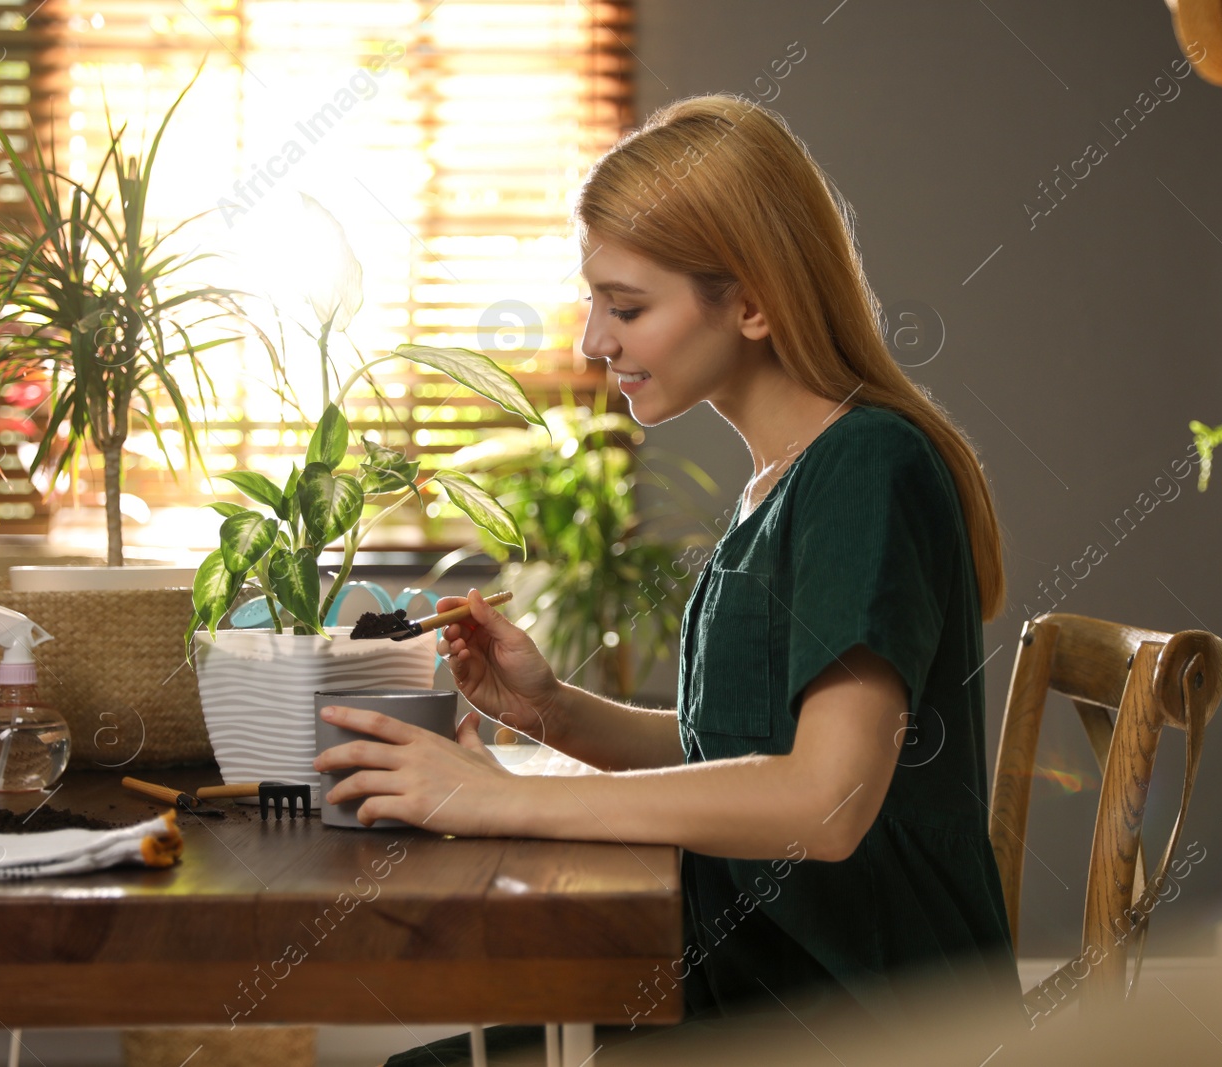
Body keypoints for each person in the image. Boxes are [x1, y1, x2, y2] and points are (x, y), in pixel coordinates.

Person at [315, 94, 1021, 1060]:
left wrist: (498, 798)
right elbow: (738, 751)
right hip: (741, 984)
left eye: (628, 305)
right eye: (596, 302)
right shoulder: (781, 482)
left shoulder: (868, 469)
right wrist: (556, 712)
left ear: (752, 301)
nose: (592, 342)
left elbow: (825, 799)